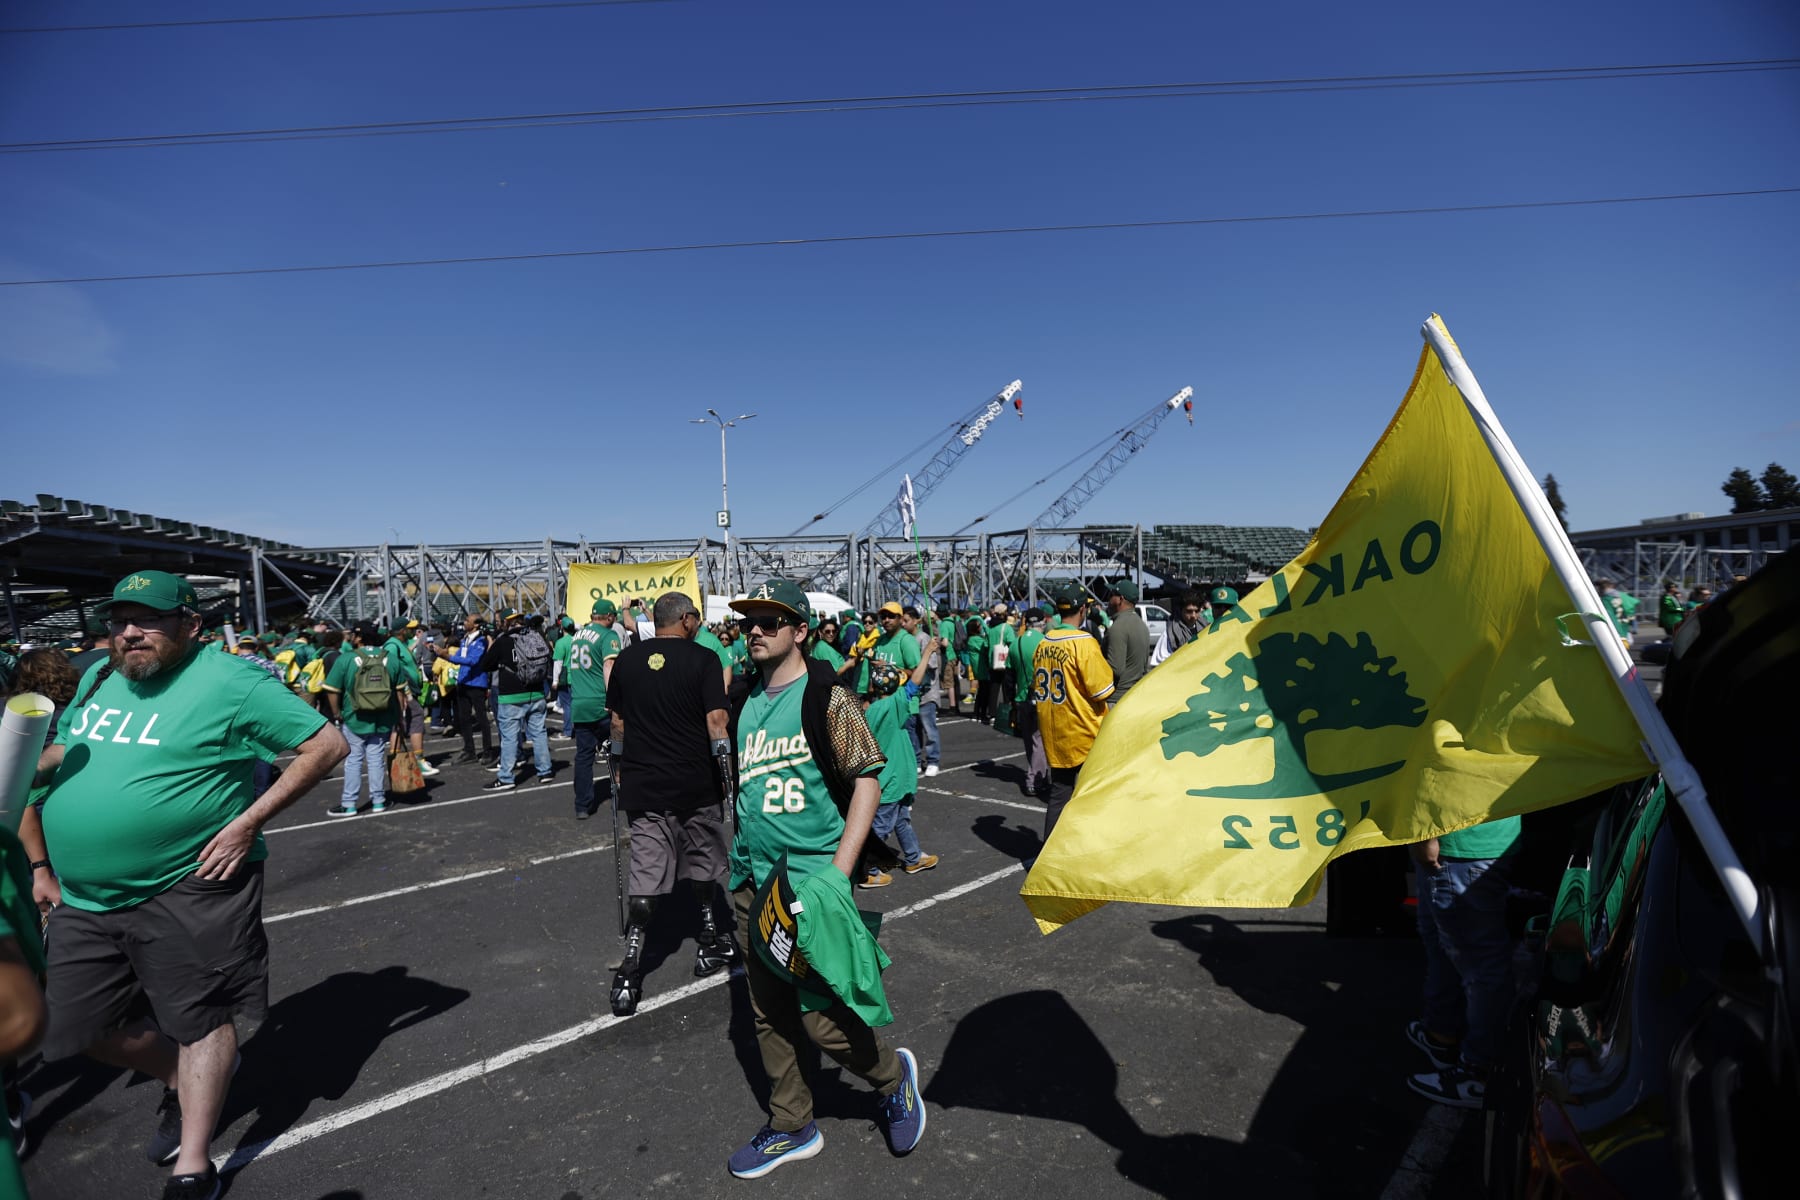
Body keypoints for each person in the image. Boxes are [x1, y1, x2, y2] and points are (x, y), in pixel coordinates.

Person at [17, 570, 347, 1200]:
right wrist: (28, 771)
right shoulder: (100, 677)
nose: (129, 632)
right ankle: (180, 1075)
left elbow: (326, 746)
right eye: (119, 620)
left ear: (191, 626)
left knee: (200, 1018)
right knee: (70, 1029)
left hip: (188, 883)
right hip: (85, 895)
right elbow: (75, 750)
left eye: (149, 620)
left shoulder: (231, 681)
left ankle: (194, 1162)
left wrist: (247, 824)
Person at [724, 578, 925, 1177]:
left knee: (823, 1019)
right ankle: (793, 1123)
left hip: (811, 885)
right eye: (749, 620)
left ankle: (892, 1082)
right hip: (754, 884)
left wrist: (840, 873)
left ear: (800, 632)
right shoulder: (744, 699)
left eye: (771, 620)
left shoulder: (825, 694)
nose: (755, 629)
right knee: (767, 1012)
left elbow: (867, 778)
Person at [604, 592, 736, 1015]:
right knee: (702, 860)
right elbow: (717, 722)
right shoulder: (703, 660)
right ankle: (711, 937)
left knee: (646, 868)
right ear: (685, 619)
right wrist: (726, 774)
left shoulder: (627, 660)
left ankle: (629, 966)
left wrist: (619, 763)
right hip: (694, 781)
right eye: (694, 617)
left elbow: (618, 722)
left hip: (644, 781)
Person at [1405, 816, 1521, 1108]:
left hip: (1459, 843)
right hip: (1462, 839)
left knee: (1481, 963)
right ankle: (1440, 1034)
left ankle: (1480, 1072)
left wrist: (1424, 834)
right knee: (1443, 938)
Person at [1031, 586, 1115, 842]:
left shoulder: (1043, 642)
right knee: (1097, 795)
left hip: (1055, 730)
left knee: (1059, 795)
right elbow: (1102, 690)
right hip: (1085, 730)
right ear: (1082, 609)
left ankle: (1051, 853)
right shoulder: (1084, 642)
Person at [857, 636, 941, 888]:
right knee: (881, 827)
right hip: (891, 780)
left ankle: (913, 857)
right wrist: (927, 652)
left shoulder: (871, 710)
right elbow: (914, 683)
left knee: (902, 819)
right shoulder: (893, 706)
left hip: (895, 778)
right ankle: (867, 869)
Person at [321, 621, 420, 816]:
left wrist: (336, 712)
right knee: (376, 759)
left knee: (354, 760)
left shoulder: (347, 659)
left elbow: (332, 689)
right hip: (383, 716)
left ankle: (349, 803)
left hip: (355, 716)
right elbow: (400, 693)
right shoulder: (390, 659)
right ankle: (378, 800)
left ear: (358, 637)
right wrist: (399, 717)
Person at [474, 609, 553, 791]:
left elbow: (486, 664)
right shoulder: (535, 636)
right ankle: (545, 771)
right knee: (539, 733)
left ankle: (506, 777)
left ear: (505, 622)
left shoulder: (503, 641)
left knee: (509, 737)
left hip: (511, 696)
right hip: (537, 692)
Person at [568, 600, 623, 820]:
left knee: (583, 756)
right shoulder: (608, 635)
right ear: (609, 616)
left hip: (580, 702)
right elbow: (609, 666)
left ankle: (582, 804)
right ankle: (623, 796)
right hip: (600, 701)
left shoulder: (576, 636)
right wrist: (613, 698)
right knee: (618, 749)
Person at [440, 614, 494, 765]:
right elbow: (458, 657)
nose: (464, 623)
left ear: (476, 625)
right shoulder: (464, 640)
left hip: (476, 684)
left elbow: (472, 660)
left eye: (467, 621)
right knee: (464, 719)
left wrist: (447, 657)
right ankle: (469, 750)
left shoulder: (481, 641)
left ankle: (488, 750)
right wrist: (443, 653)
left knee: (482, 718)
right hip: (463, 682)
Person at [1012, 606, 1049, 797]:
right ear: (1042, 621)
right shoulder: (1044, 642)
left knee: (1029, 741)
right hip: (1040, 698)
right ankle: (1035, 779)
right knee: (1040, 742)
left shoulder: (1015, 643)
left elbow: (1009, 676)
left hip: (1021, 698)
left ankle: (1035, 774)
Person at [902, 606, 941, 777]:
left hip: (926, 692)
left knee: (928, 728)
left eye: (906, 620)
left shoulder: (924, 638)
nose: (903, 624)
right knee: (912, 729)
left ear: (916, 621)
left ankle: (933, 760)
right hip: (911, 693)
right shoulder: (903, 639)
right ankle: (916, 760)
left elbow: (931, 664)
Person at [1102, 581, 1151, 700]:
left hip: (1116, 699)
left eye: (1111, 595)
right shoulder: (1141, 625)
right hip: (1134, 696)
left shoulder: (1118, 628)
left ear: (1120, 599)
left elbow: (1115, 669)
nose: (1109, 600)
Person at [1149, 592, 1205, 668]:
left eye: (1196, 611)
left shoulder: (1205, 628)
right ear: (1181, 610)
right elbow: (1159, 664)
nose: (1193, 615)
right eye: (1189, 611)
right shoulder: (1170, 634)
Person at [551, 616, 576, 739]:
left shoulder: (560, 643)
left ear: (562, 628)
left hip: (565, 677)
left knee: (567, 705)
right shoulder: (577, 640)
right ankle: (575, 728)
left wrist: (555, 680)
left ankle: (567, 731)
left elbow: (558, 663)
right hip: (577, 676)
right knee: (573, 704)